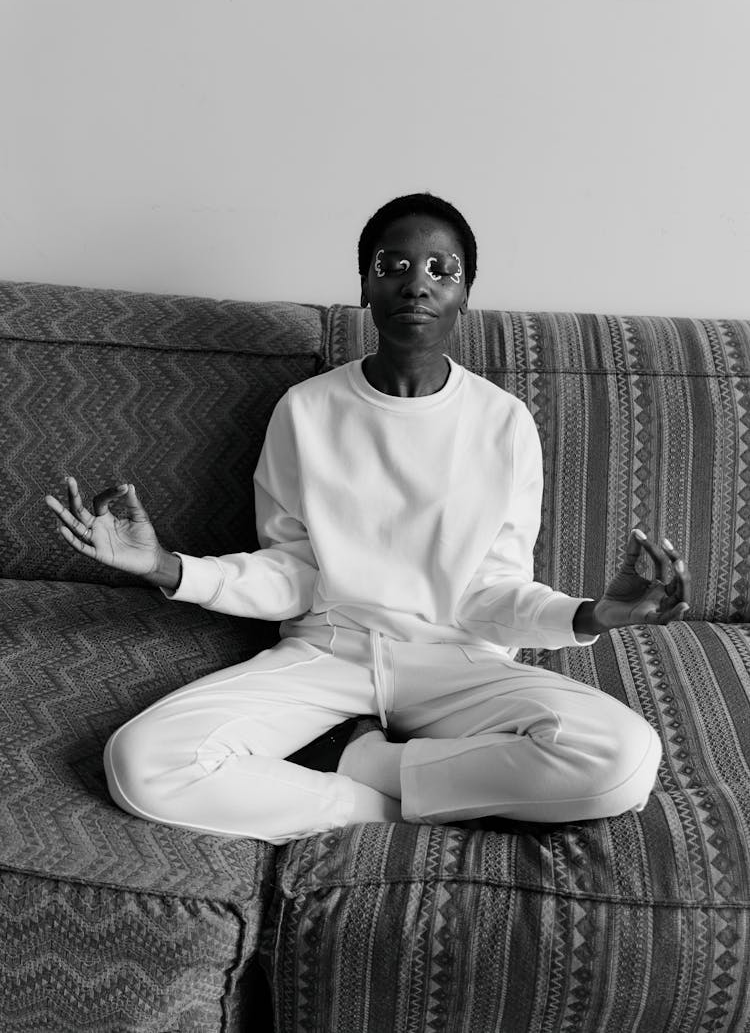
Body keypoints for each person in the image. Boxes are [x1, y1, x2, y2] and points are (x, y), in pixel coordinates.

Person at [45, 192, 691, 846]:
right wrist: (166, 566)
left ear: (467, 293)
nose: (417, 282)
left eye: (442, 268)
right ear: (365, 285)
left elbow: (491, 592)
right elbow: (292, 574)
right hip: (328, 650)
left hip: (455, 658)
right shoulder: (306, 410)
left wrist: (592, 615)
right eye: (394, 264)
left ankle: (368, 762)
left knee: (626, 758)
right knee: (139, 761)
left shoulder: (504, 423)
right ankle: (375, 809)